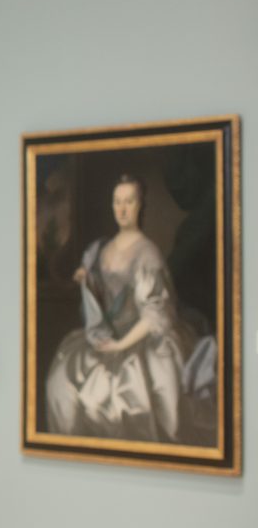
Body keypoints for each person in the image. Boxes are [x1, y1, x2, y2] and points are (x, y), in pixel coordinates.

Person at [44, 174, 216, 444]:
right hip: (107, 335)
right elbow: (102, 300)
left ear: (141, 205)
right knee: (61, 380)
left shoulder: (148, 253)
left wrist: (121, 344)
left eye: (129, 201)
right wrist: (88, 280)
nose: (122, 209)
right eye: (118, 202)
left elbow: (155, 314)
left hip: (143, 339)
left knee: (128, 399)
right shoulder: (105, 248)